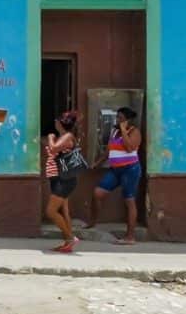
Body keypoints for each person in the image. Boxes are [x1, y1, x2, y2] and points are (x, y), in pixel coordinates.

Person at [86, 107, 142, 245]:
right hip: (115, 170)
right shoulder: (114, 131)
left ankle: (130, 237)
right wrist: (97, 163)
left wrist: (123, 130)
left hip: (130, 169)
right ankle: (93, 222)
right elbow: (108, 151)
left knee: (129, 201)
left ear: (127, 120)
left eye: (121, 118)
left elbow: (130, 148)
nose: (117, 120)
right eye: (117, 117)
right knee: (98, 193)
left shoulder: (134, 131)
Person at [44, 110, 81, 253]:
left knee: (51, 211)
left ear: (60, 123)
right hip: (58, 179)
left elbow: (53, 149)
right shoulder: (63, 137)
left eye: (57, 120)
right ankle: (67, 242)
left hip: (64, 180)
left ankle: (70, 238)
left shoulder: (67, 137)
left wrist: (50, 138)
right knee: (63, 210)